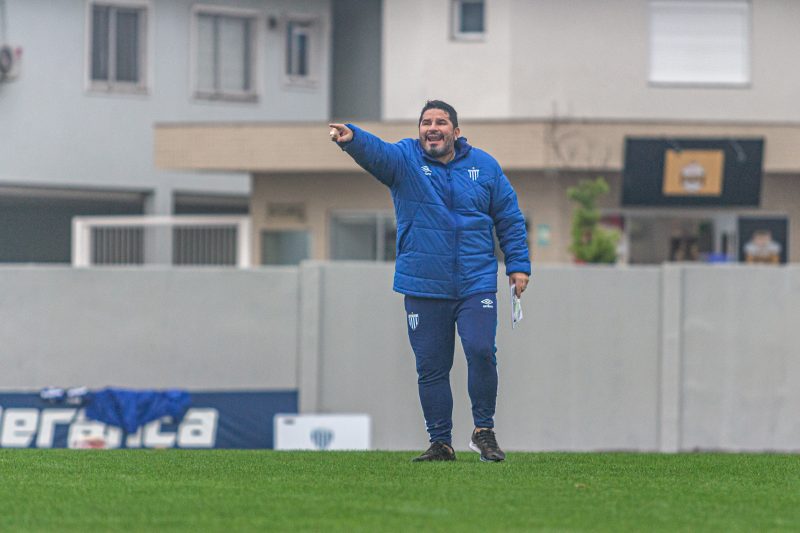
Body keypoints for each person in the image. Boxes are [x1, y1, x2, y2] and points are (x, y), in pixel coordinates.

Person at [329, 100, 530, 462]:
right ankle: (441, 442)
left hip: (475, 281)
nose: (432, 128)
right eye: (425, 122)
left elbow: (510, 218)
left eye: (440, 122)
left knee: (481, 351)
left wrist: (518, 265)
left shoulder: (485, 166)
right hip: (423, 283)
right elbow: (378, 153)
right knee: (431, 366)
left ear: (456, 130)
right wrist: (352, 138)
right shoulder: (405, 160)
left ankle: (483, 432)